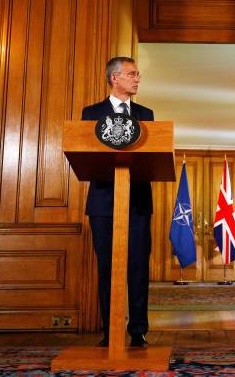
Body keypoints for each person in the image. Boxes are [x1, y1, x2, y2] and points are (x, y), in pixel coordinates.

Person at [81, 56, 153, 348]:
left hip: (137, 201)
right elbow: (85, 152)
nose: (137, 79)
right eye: (132, 74)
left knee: (137, 267)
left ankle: (138, 330)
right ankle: (110, 329)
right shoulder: (91, 113)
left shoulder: (146, 113)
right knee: (107, 268)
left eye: (137, 74)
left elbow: (151, 154)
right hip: (103, 201)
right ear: (115, 78)